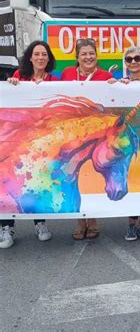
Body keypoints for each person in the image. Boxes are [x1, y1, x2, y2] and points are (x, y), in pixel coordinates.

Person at [0, 41, 57, 249]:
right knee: (8, 182)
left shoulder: (55, 80)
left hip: (41, 143)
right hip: (16, 140)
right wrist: (12, 84)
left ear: (48, 59)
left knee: (36, 182)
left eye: (44, 54)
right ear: (30, 57)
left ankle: (40, 223)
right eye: (37, 54)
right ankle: (6, 227)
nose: (41, 58)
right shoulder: (18, 77)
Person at [61, 38, 116, 240]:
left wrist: (114, 86)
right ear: (77, 57)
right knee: (72, 174)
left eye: (91, 53)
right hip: (72, 135)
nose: (88, 57)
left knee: (90, 177)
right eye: (83, 54)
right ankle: (79, 221)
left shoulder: (105, 76)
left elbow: (111, 102)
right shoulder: (67, 74)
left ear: (96, 56)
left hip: (95, 136)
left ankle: (92, 221)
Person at [118, 47, 140, 241]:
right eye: (129, 59)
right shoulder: (121, 84)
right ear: (125, 62)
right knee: (130, 179)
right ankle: (131, 224)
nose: (133, 62)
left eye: (137, 58)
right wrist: (116, 85)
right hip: (127, 139)